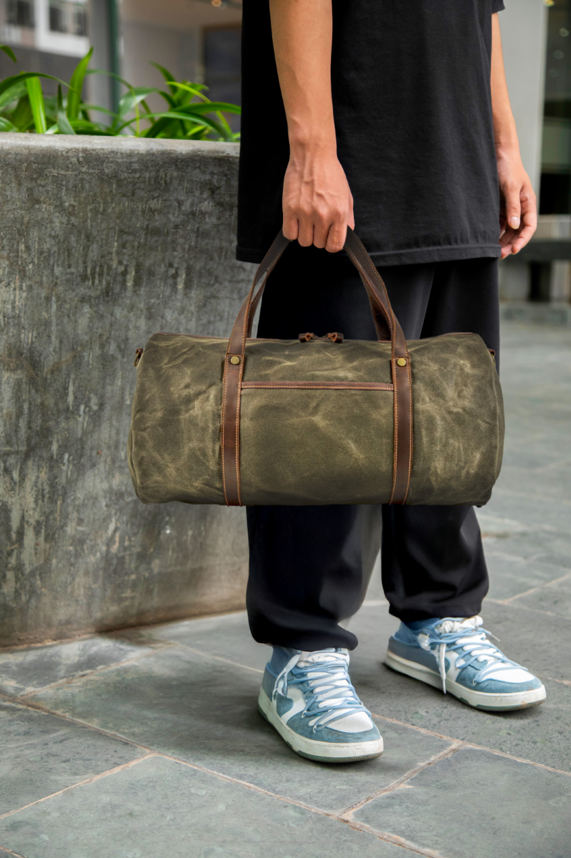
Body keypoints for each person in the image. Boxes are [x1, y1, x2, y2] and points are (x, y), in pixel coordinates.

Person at [236, 0, 546, 764]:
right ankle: (301, 649)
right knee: (320, 427)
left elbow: (486, 11)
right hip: (351, 150)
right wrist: (309, 149)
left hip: (457, 152)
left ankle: (436, 619)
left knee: (448, 419)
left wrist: (503, 145)